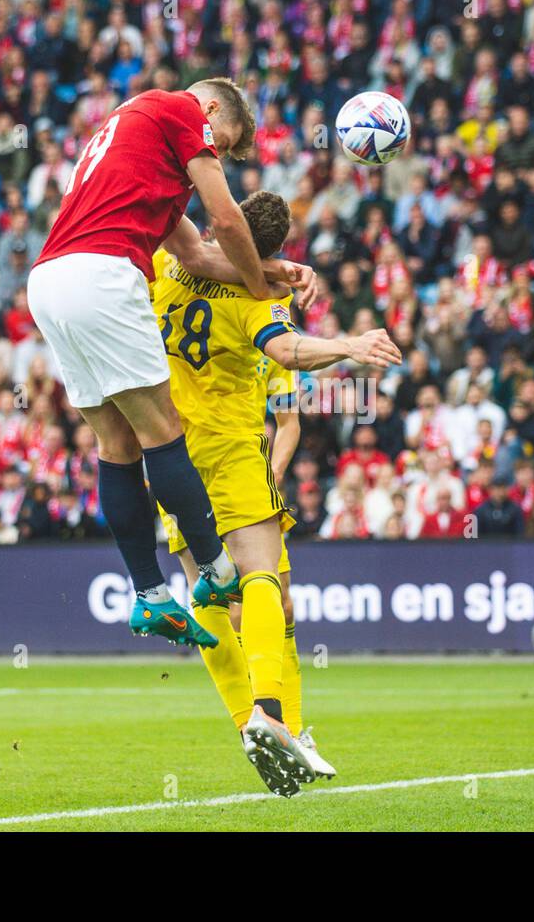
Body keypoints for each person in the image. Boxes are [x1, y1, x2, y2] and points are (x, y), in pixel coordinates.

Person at [25, 78, 314, 648]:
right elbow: (227, 221)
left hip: (50, 282)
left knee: (118, 445)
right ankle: (214, 570)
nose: (216, 159)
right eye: (222, 146)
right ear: (209, 111)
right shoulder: (181, 109)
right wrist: (261, 288)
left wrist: (276, 272)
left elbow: (200, 253)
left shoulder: (137, 140)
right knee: (164, 431)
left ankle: (150, 595)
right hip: (104, 275)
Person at [152, 191, 401, 796]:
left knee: (206, 589)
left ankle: (253, 724)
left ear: (221, 225)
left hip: (168, 450)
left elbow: (176, 232)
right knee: (261, 580)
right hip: (232, 448)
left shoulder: (167, 262)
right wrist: (347, 346)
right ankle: (269, 713)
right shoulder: (259, 297)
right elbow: (287, 349)